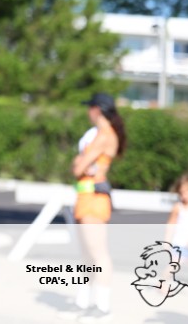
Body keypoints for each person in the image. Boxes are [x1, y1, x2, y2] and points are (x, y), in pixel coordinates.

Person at [62, 92, 126, 323]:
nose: (88, 112)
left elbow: (78, 168)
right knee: (87, 254)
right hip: (86, 197)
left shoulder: (104, 135)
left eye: (90, 108)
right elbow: (79, 166)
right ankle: (84, 302)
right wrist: (80, 164)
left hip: (93, 199)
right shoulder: (101, 134)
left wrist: (80, 164)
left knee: (98, 253)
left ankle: (102, 306)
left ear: (97, 110)